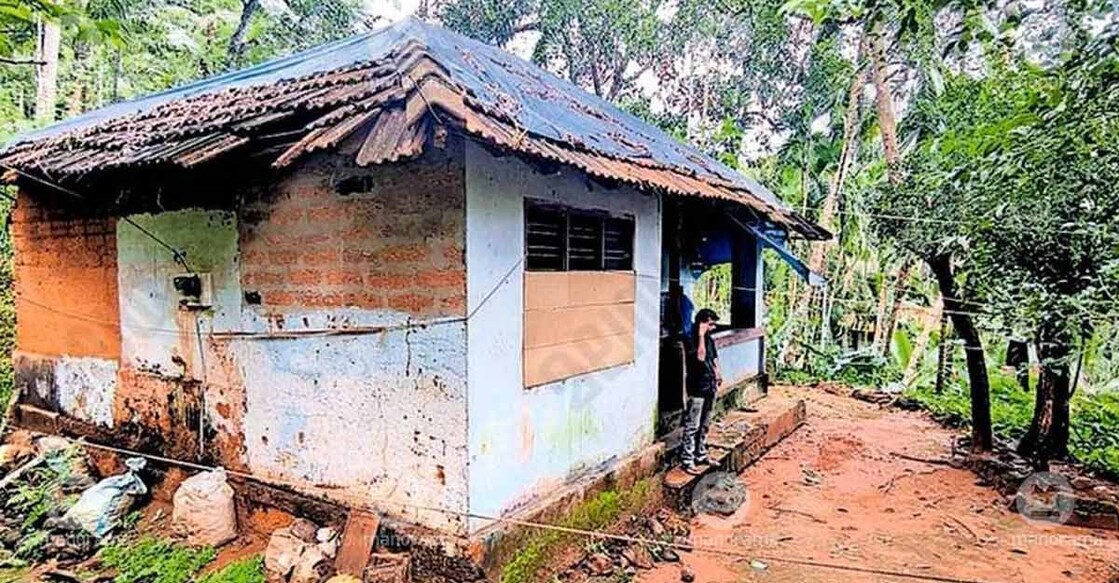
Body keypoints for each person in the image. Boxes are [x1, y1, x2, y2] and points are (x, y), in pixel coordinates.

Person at [681, 308, 722, 474]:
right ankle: (688, 459)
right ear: (702, 323)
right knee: (693, 425)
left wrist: (718, 372)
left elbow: (713, 358)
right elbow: (700, 357)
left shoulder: (710, 340)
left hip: (709, 385)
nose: (713, 328)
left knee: (705, 423)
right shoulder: (692, 339)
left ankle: (701, 453)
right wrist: (700, 336)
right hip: (697, 387)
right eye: (710, 324)